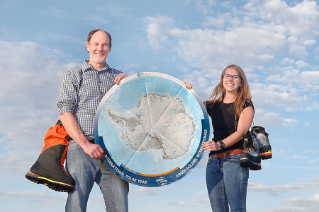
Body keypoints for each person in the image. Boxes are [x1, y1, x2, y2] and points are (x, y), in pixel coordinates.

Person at [57, 29, 129, 212]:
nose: (100, 48)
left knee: (120, 208)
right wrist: (85, 145)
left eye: (104, 45)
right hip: (81, 148)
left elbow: (132, 113)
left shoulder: (118, 78)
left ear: (110, 49)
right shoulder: (73, 74)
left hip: (113, 151)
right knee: (76, 206)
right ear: (88, 46)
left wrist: (130, 87)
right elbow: (65, 111)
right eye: (96, 44)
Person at [202, 64, 254, 211]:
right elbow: (190, 108)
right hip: (213, 163)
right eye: (227, 75)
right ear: (222, 79)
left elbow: (241, 132)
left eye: (235, 76)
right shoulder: (212, 105)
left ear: (241, 82)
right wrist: (187, 90)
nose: (230, 79)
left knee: (237, 209)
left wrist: (220, 144)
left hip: (234, 160)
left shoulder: (245, 104)